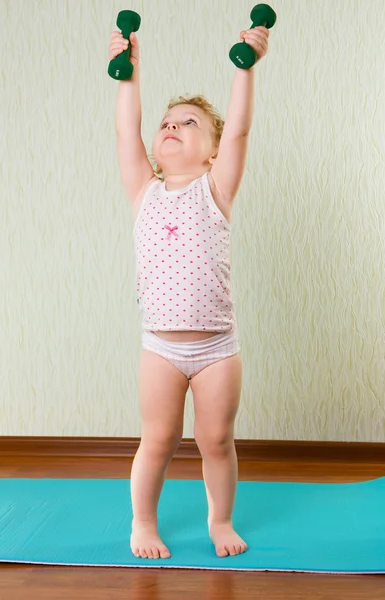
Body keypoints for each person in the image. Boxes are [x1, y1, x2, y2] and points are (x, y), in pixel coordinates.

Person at [108, 21, 269, 560]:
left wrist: (243, 68)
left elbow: (241, 128)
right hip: (161, 347)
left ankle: (220, 519)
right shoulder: (143, 191)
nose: (172, 126)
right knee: (157, 440)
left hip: (217, 348)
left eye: (190, 122)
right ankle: (143, 522)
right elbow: (125, 133)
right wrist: (128, 73)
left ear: (212, 150)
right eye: (167, 122)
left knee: (216, 441)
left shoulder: (215, 188)